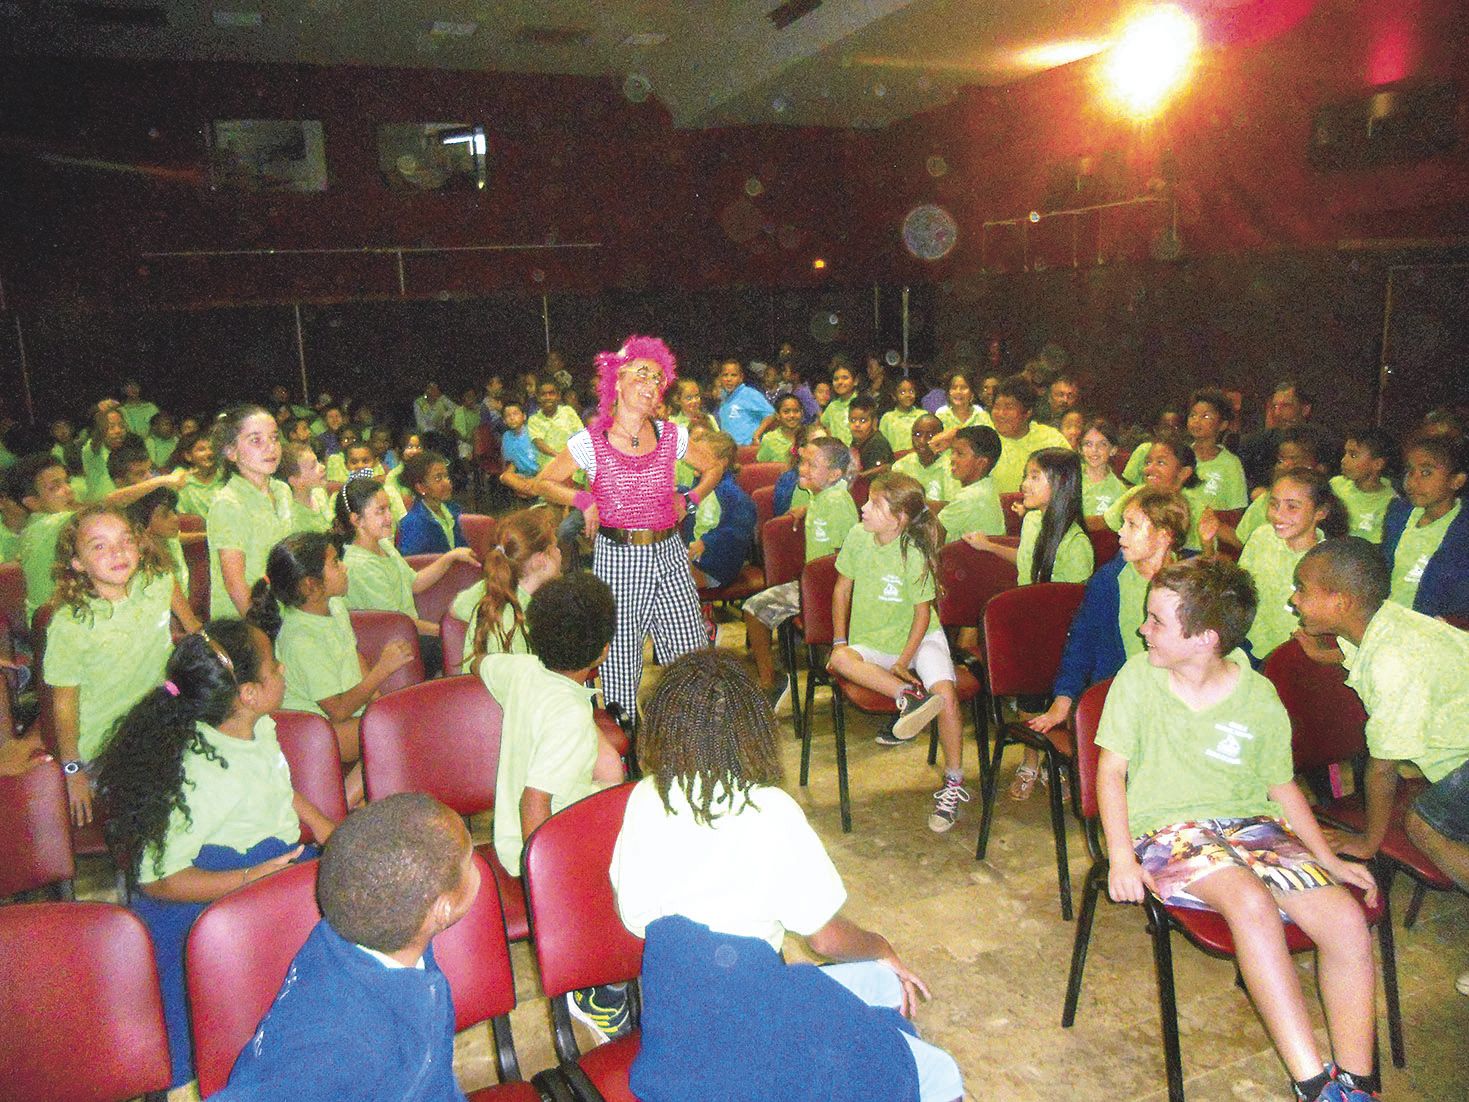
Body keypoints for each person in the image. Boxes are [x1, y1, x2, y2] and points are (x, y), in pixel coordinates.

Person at [612, 650, 962, 1102]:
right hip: (753, 1032)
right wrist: (882, 946)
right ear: (753, 732)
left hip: (679, 1023)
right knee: (940, 1073)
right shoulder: (770, 811)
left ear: (666, 727)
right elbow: (826, 940)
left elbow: (636, 917)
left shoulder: (644, 797)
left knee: (881, 984)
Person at [1097, 558, 1382, 1102]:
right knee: (1249, 903)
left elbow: (1282, 789)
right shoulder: (1137, 679)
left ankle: (1356, 1083)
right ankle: (1313, 1083)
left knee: (1346, 918)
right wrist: (1119, 857)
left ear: (1205, 638)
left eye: (1156, 621)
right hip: (1167, 830)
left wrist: (1327, 859)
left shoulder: (1259, 696)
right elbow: (1110, 773)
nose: (1142, 629)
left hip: (1255, 829)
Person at [98, 621, 333, 1088]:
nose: (282, 669)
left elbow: (275, 784)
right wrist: (250, 877)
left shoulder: (256, 724)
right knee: (221, 1038)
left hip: (268, 864)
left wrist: (325, 827)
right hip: (211, 894)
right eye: (273, 665)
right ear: (247, 693)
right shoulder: (198, 773)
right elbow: (157, 880)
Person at [1291, 538, 1469, 1000]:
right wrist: (1324, 655)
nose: (1294, 599)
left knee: (1424, 823)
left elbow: (1381, 769)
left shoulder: (1392, 660)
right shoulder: (1388, 623)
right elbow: (1365, 658)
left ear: (1340, 601)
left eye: (1302, 590)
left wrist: (1368, 841)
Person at [218, 793, 479, 1102]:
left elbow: (429, 1077)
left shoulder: (381, 931)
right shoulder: (337, 1044)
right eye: (469, 861)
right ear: (443, 909)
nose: (476, 867)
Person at [530, 336, 719, 715]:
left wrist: (691, 498)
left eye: (658, 380)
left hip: (669, 553)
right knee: (619, 662)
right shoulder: (591, 442)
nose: (650, 386)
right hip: (618, 557)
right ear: (616, 380)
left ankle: (694, 737)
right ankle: (626, 751)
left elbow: (714, 466)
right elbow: (544, 482)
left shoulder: (671, 434)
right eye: (642, 375)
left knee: (691, 654)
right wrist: (583, 499)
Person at [828, 473, 969, 831]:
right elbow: (841, 590)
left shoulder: (914, 551)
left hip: (918, 639)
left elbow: (923, 615)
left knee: (947, 694)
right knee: (839, 658)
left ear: (900, 519)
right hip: (873, 640)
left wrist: (905, 661)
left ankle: (953, 781)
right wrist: (840, 639)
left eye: (875, 504)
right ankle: (908, 696)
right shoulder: (858, 537)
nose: (863, 507)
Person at [44, 504, 198, 826]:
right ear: (77, 563)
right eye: (99, 546)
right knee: (168, 808)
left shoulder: (160, 583)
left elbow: (195, 632)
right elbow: (64, 706)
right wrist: (73, 771)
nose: (118, 552)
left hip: (161, 723)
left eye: (126, 540)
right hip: (107, 746)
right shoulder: (69, 624)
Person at [249, 532, 415, 807]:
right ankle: (341, 809)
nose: (345, 567)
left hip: (341, 719)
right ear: (311, 586)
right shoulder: (301, 638)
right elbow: (337, 709)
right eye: (336, 563)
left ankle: (362, 802)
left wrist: (378, 702)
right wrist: (383, 669)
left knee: (392, 721)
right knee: (393, 731)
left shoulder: (335, 606)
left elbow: (355, 656)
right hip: (314, 731)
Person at [966, 448, 1094, 799]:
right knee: (1029, 696)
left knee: (1052, 688)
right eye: (1026, 475)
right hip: (1030, 629)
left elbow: (1070, 608)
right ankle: (1031, 760)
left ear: (1062, 484)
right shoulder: (1034, 520)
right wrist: (989, 547)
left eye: (1035, 476)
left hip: (1061, 637)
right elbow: (1027, 558)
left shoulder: (1076, 543)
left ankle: (1058, 760)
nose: (1024, 483)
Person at [1029, 487, 1189, 735]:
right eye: (1123, 523)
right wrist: (1064, 699)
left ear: (1164, 535)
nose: (1120, 532)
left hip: (1179, 702)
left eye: (1132, 525)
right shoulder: (1108, 581)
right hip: (1122, 700)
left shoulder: (1193, 584)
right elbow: (1081, 643)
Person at [743, 437, 857, 708]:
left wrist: (814, 590)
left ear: (834, 474)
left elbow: (845, 556)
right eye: (802, 461)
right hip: (814, 585)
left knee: (752, 609)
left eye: (811, 464)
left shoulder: (837, 501)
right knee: (754, 608)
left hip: (827, 589)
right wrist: (807, 508)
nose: (802, 469)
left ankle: (770, 681)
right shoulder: (822, 494)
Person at [10, 450, 183, 619]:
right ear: (32, 502)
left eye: (66, 482)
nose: (68, 490)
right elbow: (106, 504)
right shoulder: (46, 526)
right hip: (55, 622)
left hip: (75, 612)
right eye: (55, 487)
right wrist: (160, 482)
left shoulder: (46, 525)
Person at [338, 477, 478, 677]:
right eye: (380, 511)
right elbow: (398, 623)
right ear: (356, 520)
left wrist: (450, 557)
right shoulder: (360, 566)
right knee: (463, 647)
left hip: (410, 633)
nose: (390, 517)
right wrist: (449, 631)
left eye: (389, 508)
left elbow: (415, 583)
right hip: (391, 644)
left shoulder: (383, 545)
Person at [1238, 468, 1344, 660]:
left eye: (1292, 507)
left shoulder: (1330, 562)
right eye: (1274, 504)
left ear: (1320, 512)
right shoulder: (1261, 536)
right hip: (1246, 641)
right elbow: (1241, 589)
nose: (1278, 515)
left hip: (1290, 654)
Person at [207, 404, 294, 618]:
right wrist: (263, 631)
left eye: (274, 438)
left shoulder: (282, 491)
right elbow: (235, 583)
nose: (270, 447)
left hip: (284, 610)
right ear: (231, 452)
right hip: (245, 622)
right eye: (256, 440)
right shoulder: (229, 503)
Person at [451, 506, 561, 674]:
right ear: (540, 560)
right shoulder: (511, 622)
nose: (560, 552)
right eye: (555, 547)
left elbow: (456, 608)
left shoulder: (496, 587)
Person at [1380, 430, 1469, 617]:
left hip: (1434, 628)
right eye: (1409, 471)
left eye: (1426, 473)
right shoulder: (1398, 515)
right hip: (1386, 619)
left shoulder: (1463, 530)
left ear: (1456, 481)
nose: (1413, 481)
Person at [1104, 435, 1210, 552]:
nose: (1149, 469)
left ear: (1183, 473)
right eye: (1148, 462)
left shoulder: (1196, 509)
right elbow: (1106, 522)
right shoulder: (1137, 493)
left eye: (1160, 463)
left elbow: (1203, 557)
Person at [686, 432, 757, 591]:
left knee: (662, 584)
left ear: (722, 463)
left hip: (717, 567)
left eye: (702, 456)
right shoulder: (699, 484)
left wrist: (707, 542)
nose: (695, 460)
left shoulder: (731, 494)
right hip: (695, 558)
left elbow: (739, 526)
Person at [987, 375, 1069, 495]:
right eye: (997, 407)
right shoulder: (983, 440)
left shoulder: (1052, 440)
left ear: (1027, 412)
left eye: (1009, 407)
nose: (1000, 414)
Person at [1184, 388, 1249, 512]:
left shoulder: (1231, 463)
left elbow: (1237, 509)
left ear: (1222, 425)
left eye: (1206, 416)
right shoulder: (1180, 455)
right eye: (1193, 415)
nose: (1196, 420)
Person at [936, 425, 1003, 543]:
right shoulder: (987, 483)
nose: (952, 458)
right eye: (952, 451)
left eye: (960, 454)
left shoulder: (969, 497)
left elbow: (933, 533)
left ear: (981, 463)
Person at [1330, 427, 1398, 543]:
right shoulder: (1335, 485)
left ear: (1377, 464)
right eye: (1345, 453)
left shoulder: (1391, 502)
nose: (1343, 460)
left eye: (1353, 455)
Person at [396, 450, 469, 556]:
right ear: (420, 488)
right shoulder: (413, 523)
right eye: (438, 478)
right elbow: (412, 565)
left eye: (446, 477)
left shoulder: (453, 510)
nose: (447, 482)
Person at [125, 486, 190, 600]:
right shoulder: (141, 561)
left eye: (174, 512)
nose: (175, 518)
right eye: (165, 515)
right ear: (144, 521)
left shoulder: (172, 542)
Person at [893, 415, 955, 504]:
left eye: (930, 435)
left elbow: (951, 507)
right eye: (917, 434)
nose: (922, 440)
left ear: (941, 438)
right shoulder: (900, 467)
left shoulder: (951, 468)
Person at [714, 358, 775, 447]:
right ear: (720, 377)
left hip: (747, 448)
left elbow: (771, 414)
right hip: (729, 449)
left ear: (741, 377)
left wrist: (756, 435)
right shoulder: (724, 398)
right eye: (725, 375)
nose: (729, 379)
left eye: (733, 375)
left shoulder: (749, 393)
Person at [527, 379, 586, 471]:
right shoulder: (533, 420)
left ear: (558, 396)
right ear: (538, 397)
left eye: (551, 393)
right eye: (543, 394)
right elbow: (538, 443)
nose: (548, 397)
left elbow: (580, 435)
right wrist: (559, 457)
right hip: (549, 467)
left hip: (573, 463)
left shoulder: (568, 411)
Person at [930, 371, 993, 452]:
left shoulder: (982, 415)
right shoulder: (941, 414)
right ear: (948, 393)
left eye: (963, 388)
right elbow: (933, 445)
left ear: (972, 393)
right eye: (954, 388)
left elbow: (990, 445)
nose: (958, 392)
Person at [1078, 417, 1127, 516]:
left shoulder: (1119, 491)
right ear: (1080, 449)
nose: (1094, 450)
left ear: (1113, 450)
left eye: (1102, 444)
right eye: (1088, 444)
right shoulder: (1069, 478)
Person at [281, 441, 332, 534]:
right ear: (295, 481)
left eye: (318, 462)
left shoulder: (319, 492)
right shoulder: (294, 520)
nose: (323, 467)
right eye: (313, 466)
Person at [175, 430, 225, 517]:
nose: (209, 453)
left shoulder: (225, 477)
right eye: (202, 450)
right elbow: (182, 518)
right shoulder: (183, 482)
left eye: (212, 448)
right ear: (188, 456)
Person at [848, 395, 893, 476]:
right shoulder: (857, 440)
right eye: (853, 420)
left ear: (874, 422)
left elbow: (881, 473)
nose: (857, 425)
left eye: (863, 420)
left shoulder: (878, 443)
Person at [879, 376, 924, 453]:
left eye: (911, 391)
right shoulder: (888, 418)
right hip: (895, 461)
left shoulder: (923, 415)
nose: (908, 395)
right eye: (902, 392)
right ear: (894, 396)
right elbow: (882, 445)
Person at [756, 394, 805, 464]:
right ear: (778, 415)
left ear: (802, 413)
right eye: (786, 412)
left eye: (796, 411)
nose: (792, 415)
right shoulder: (769, 439)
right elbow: (763, 469)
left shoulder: (810, 435)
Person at [820, 359, 858, 445]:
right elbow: (822, 425)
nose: (840, 382)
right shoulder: (832, 406)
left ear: (855, 381)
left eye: (845, 378)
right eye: (836, 379)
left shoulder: (862, 403)